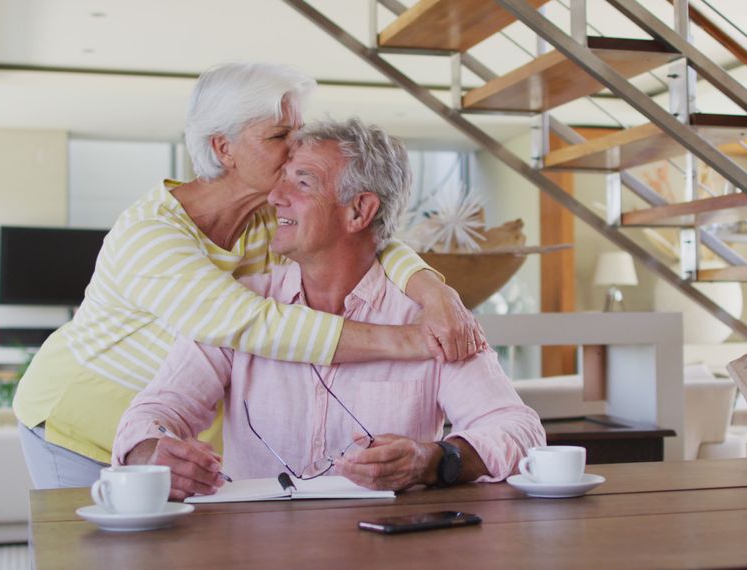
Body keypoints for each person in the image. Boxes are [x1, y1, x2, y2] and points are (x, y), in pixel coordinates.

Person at [12, 63, 484, 489]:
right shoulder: (150, 236)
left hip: (175, 437)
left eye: (297, 131)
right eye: (280, 136)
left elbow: (364, 237)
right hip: (81, 425)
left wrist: (433, 289)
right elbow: (255, 326)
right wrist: (410, 341)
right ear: (224, 148)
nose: (297, 147)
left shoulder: (266, 218)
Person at [114, 118, 545, 498]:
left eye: (302, 182)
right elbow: (153, 414)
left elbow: (520, 432)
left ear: (359, 210)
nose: (274, 197)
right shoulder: (240, 309)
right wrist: (152, 453)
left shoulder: (433, 321)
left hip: (388, 548)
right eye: (280, 179)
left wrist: (433, 459)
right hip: (254, 548)